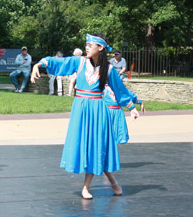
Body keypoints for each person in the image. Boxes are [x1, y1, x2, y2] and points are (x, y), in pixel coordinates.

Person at [31, 33, 141, 199]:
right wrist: (38, 65)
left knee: (96, 148)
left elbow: (120, 90)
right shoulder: (80, 62)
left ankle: (86, 187)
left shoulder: (108, 69)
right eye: (86, 44)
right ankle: (113, 183)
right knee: (90, 148)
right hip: (81, 110)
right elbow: (59, 62)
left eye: (90, 44)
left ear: (101, 47)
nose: (87, 47)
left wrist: (131, 106)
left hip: (98, 111)